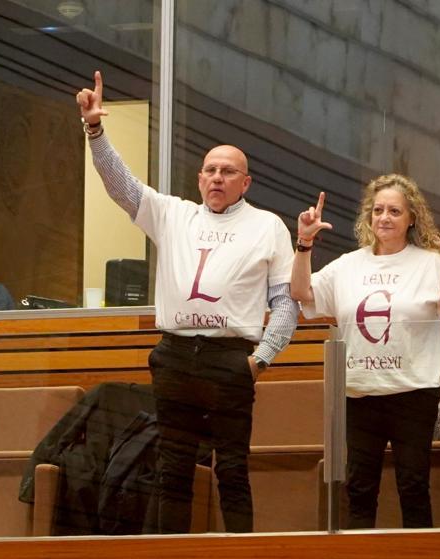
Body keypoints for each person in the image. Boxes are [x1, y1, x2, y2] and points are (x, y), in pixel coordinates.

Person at [76, 70, 298, 533]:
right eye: (211, 170)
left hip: (231, 360)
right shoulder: (172, 214)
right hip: (175, 355)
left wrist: (260, 360)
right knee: (170, 470)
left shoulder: (268, 226)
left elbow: (287, 302)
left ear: (246, 182)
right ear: (199, 178)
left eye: (228, 171)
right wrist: (95, 131)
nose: (218, 177)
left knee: (233, 469)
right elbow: (121, 185)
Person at [292, 175, 440, 528]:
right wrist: (304, 243)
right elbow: (302, 292)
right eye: (378, 210)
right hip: (359, 392)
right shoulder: (348, 265)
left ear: (411, 218)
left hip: (414, 393)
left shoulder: (431, 263)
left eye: (395, 211)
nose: (384, 217)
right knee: (359, 487)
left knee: (413, 485)